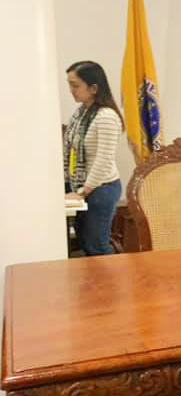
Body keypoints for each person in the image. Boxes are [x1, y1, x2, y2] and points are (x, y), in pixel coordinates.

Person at [63, 60, 124, 256]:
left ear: (94, 87)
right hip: (83, 187)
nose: (71, 90)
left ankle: (113, 287)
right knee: (85, 242)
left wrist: (83, 192)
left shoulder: (106, 116)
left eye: (75, 85)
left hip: (101, 188)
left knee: (97, 246)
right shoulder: (81, 113)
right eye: (69, 84)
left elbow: (103, 160)